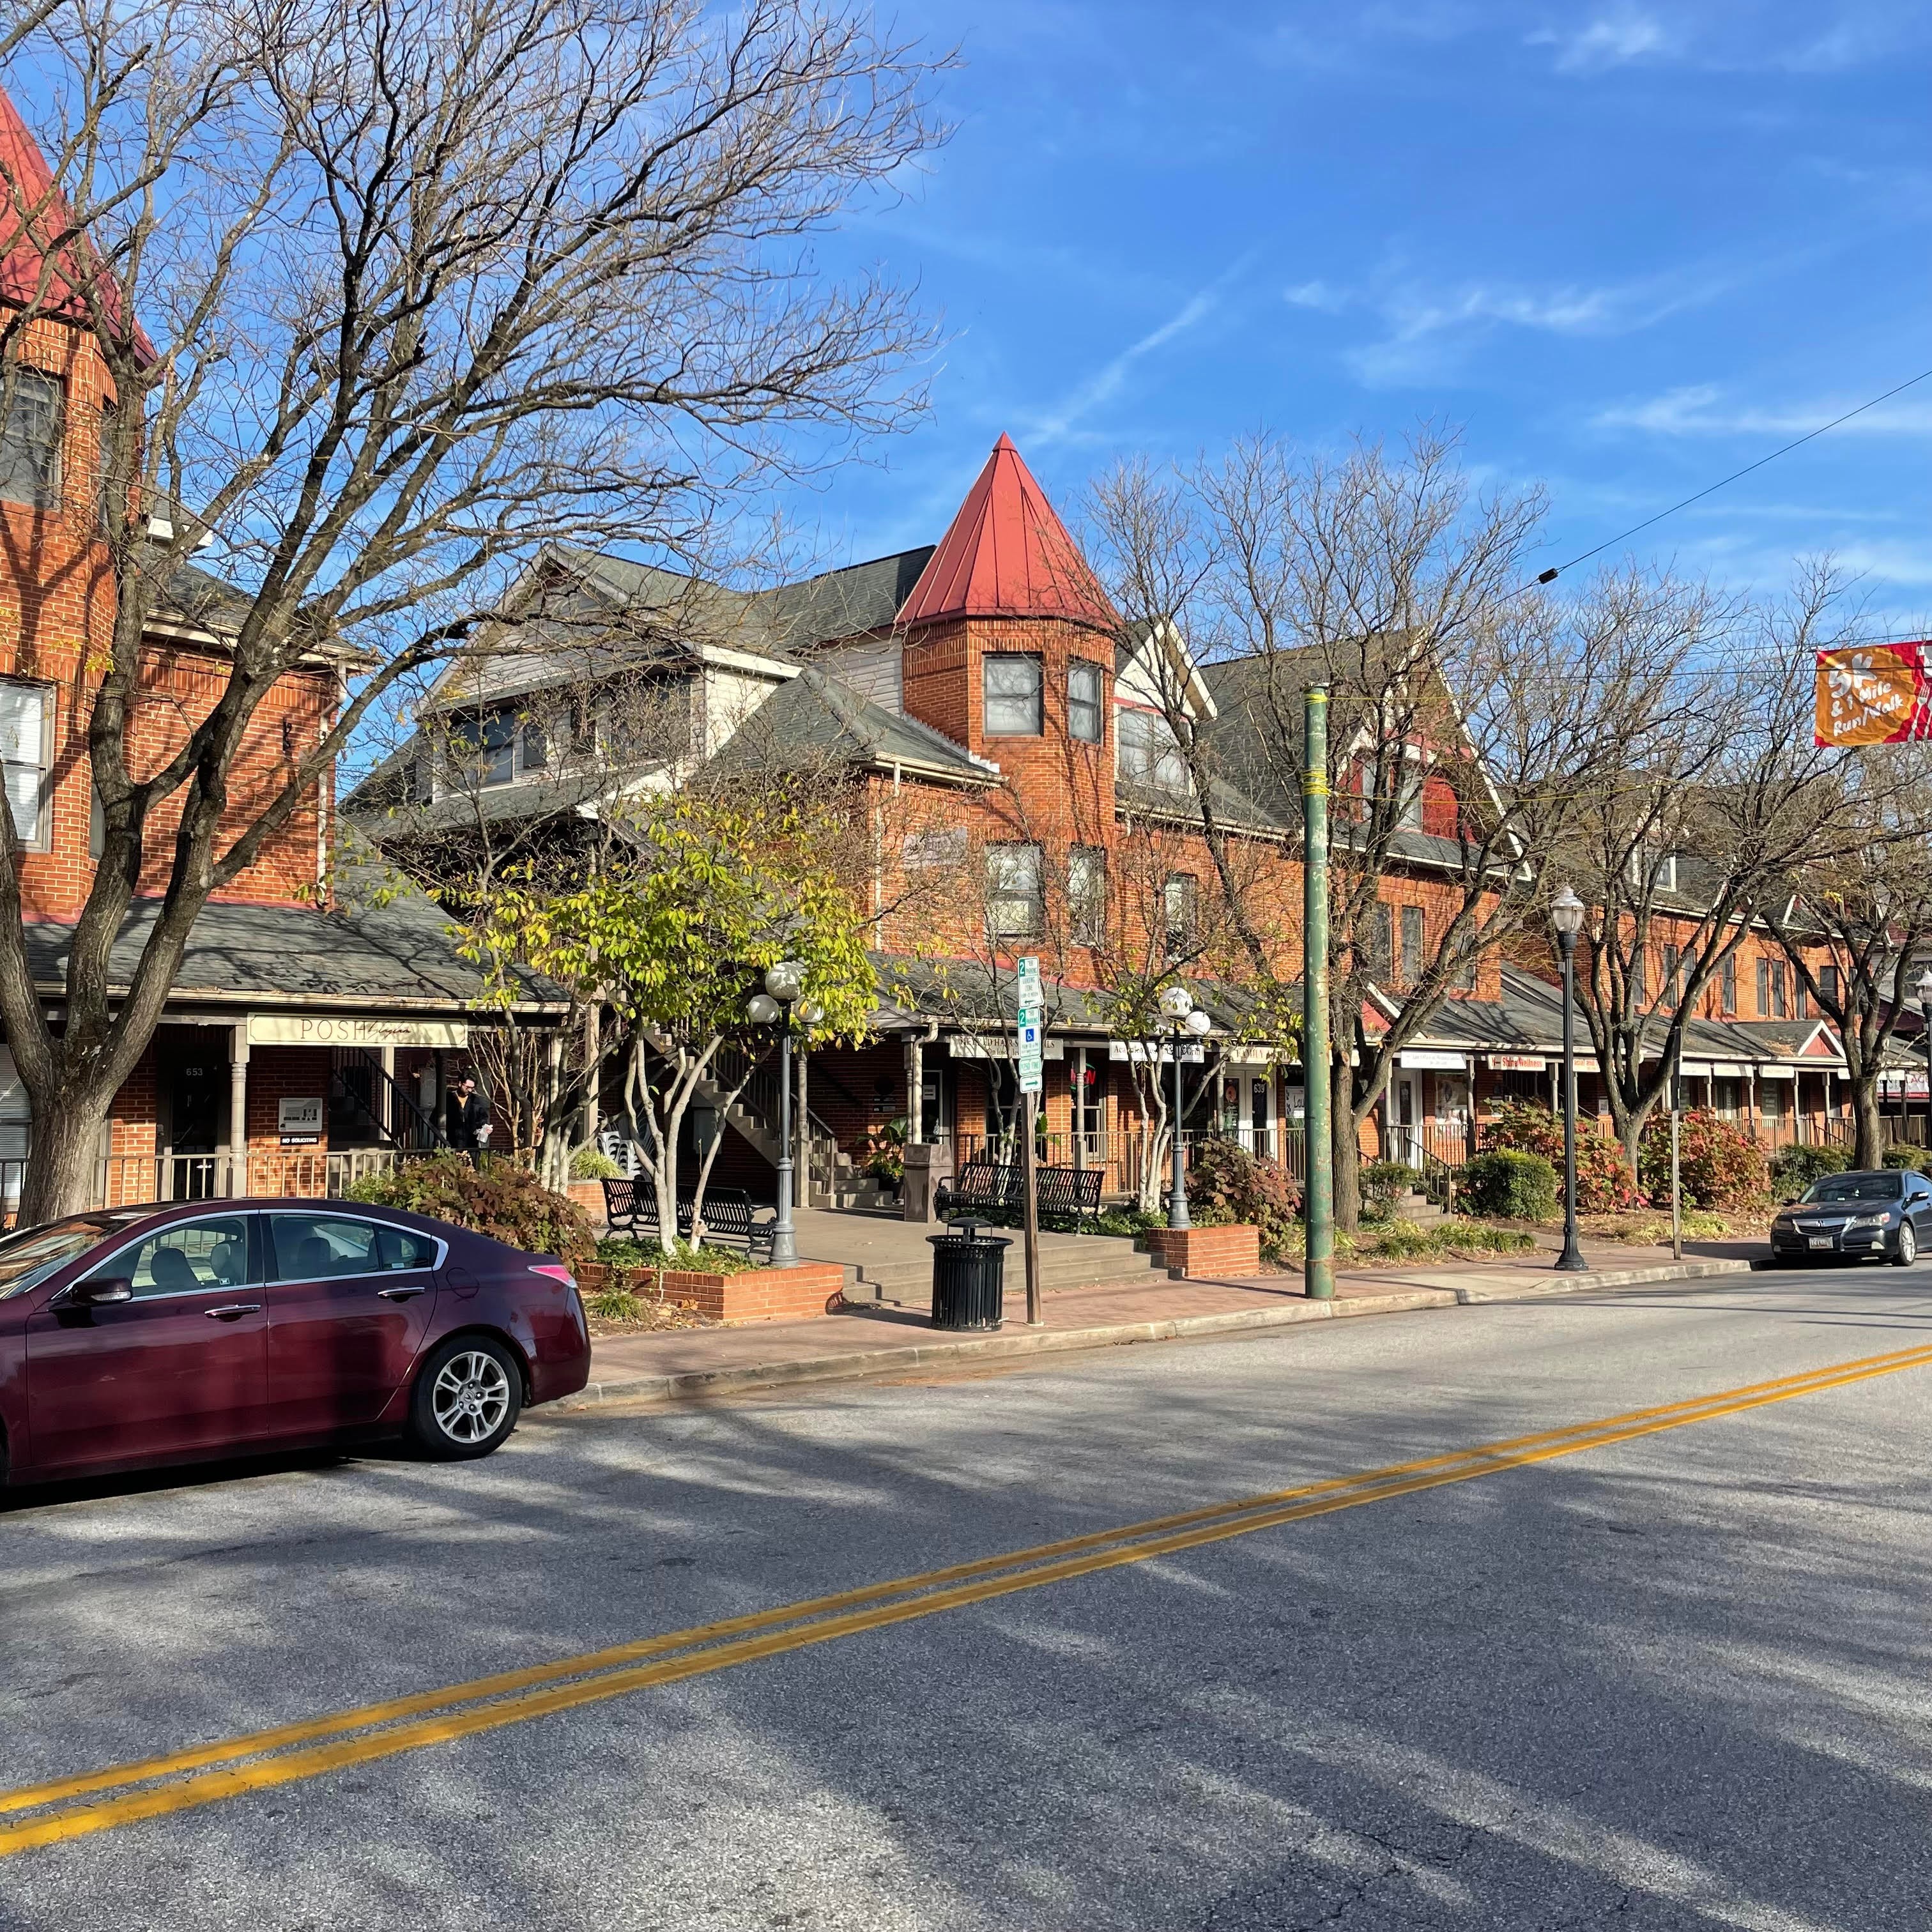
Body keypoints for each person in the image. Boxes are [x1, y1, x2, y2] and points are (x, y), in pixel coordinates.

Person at [444, 1073, 493, 1162]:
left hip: (471, 1143)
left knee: (472, 1170)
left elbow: (482, 1118)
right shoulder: (448, 1100)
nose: (470, 1090)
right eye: (467, 1087)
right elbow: (437, 1119)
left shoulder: (475, 1100)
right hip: (452, 1142)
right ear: (460, 1084)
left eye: (472, 1088)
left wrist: (485, 1127)